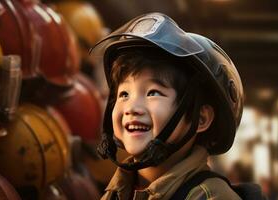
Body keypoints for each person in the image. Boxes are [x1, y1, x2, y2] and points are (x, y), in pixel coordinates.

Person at [90, 12, 258, 199]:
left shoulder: (211, 197)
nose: (132, 107)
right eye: (124, 94)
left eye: (153, 93)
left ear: (200, 118)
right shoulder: (117, 192)